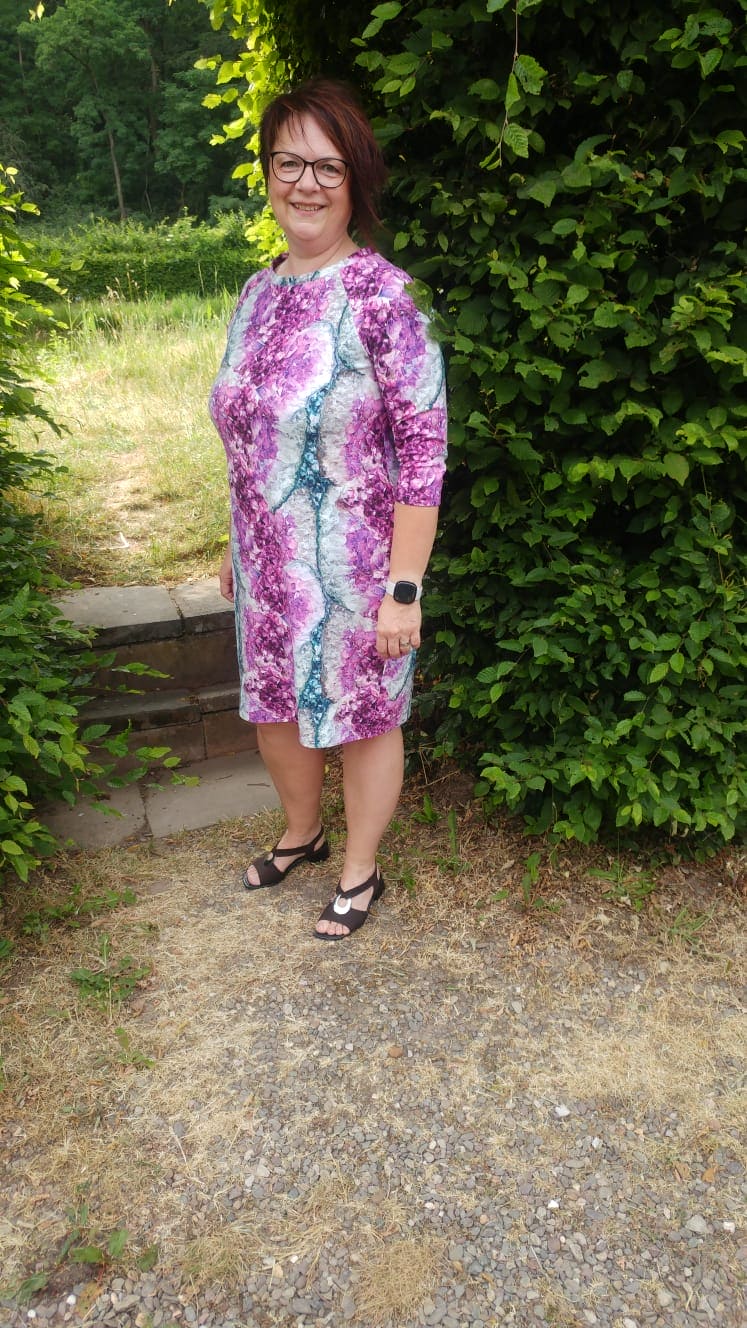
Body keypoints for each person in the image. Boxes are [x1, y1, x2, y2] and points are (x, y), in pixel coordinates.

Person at [209, 78, 447, 941]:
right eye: (288, 163)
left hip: (357, 569)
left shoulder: (387, 298)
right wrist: (233, 539)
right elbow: (246, 432)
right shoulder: (254, 292)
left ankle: (359, 868)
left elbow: (424, 454)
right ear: (268, 174)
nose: (304, 184)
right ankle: (302, 834)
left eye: (326, 167)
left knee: (365, 718)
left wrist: (403, 590)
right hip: (266, 561)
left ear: (356, 180)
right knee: (274, 708)